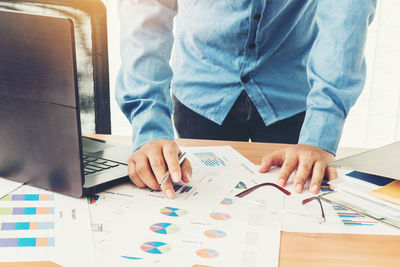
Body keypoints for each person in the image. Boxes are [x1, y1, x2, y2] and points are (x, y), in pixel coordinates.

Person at [116, 0, 376, 199]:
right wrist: (149, 125)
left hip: (292, 95)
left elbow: (345, 16)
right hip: (200, 92)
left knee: (295, 200)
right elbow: (146, 10)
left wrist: (321, 132)